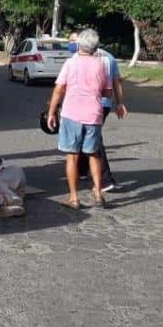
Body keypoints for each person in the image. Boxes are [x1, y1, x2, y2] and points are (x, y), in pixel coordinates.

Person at [47, 29, 112, 209]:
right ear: (95, 46)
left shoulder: (70, 63)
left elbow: (59, 89)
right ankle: (98, 194)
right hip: (94, 115)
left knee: (72, 156)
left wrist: (51, 112)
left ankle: (74, 198)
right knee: (93, 155)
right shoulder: (101, 65)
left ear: (78, 45)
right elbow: (108, 92)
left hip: (72, 114)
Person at [69, 32, 128, 191]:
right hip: (105, 103)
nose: (72, 44)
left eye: (73, 41)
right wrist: (119, 103)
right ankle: (82, 171)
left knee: (93, 139)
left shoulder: (80, 57)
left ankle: (105, 179)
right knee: (83, 134)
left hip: (88, 103)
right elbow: (116, 82)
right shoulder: (109, 57)